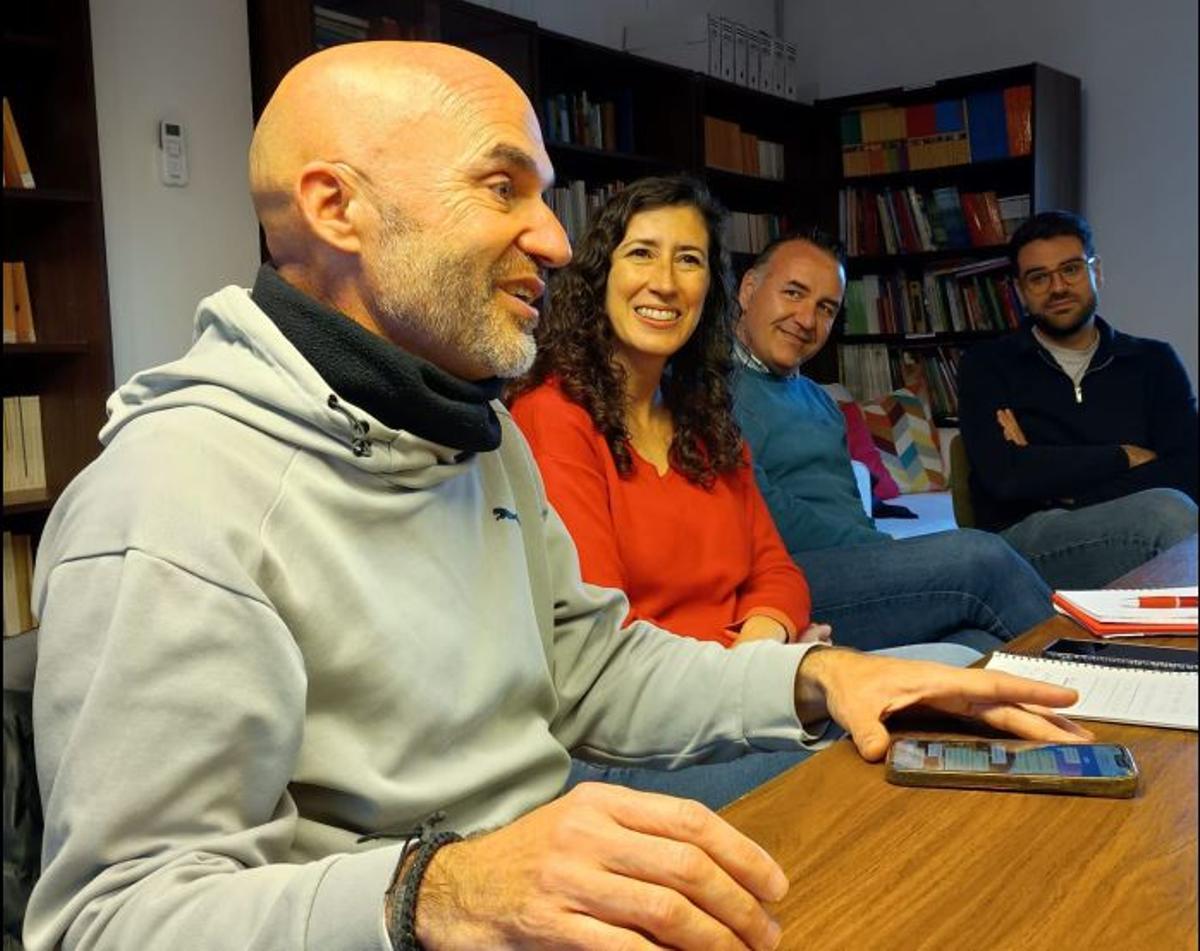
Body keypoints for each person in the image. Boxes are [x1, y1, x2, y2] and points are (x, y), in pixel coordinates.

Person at [25, 42, 1090, 951]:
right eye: (503, 188)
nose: (555, 239)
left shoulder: (474, 435)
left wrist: (818, 677)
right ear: (334, 207)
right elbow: (113, 917)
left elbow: (592, 665)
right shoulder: (170, 500)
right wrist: (438, 890)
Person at [732, 228, 1059, 654]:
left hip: (850, 574)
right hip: (781, 585)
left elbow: (848, 510)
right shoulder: (710, 390)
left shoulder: (820, 402)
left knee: (978, 643)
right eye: (793, 293)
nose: (808, 320)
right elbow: (760, 509)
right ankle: (1108, 687)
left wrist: (884, 559)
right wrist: (882, 554)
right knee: (982, 557)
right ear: (749, 289)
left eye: (826, 308)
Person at [957, 210, 1198, 590]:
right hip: (1026, 544)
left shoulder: (1154, 362)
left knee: (1172, 509)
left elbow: (1187, 469)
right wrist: (1123, 456)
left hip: (1132, 525)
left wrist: (1060, 487)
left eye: (1070, 270)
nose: (1057, 288)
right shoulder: (987, 366)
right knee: (1169, 514)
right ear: (1020, 291)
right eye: (1038, 278)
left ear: (1096, 272)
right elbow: (1003, 477)